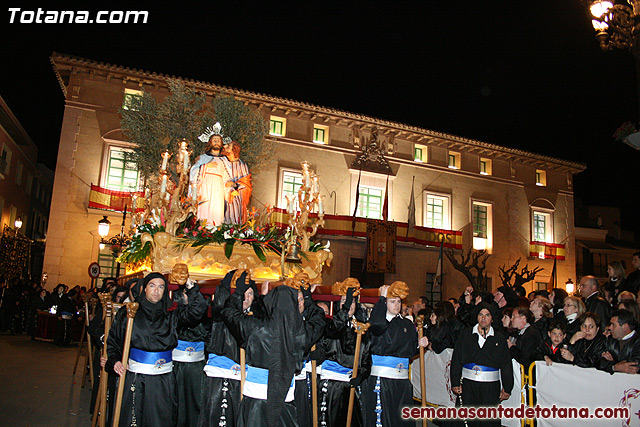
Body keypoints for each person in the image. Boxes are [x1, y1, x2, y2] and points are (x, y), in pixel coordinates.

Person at [104, 272, 207, 427]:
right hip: (136, 378)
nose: (156, 290)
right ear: (144, 289)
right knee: (133, 419)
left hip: (163, 380)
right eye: (152, 286)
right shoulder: (129, 314)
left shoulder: (171, 317)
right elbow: (113, 341)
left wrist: (188, 284)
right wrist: (115, 361)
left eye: (161, 287)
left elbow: (197, 311)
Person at [221, 276, 325, 426]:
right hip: (284, 397)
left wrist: (239, 292)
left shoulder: (254, 327)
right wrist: (308, 299)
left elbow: (228, 313)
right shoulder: (301, 332)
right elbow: (319, 320)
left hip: (255, 399)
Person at [199, 269, 262, 427]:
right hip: (222, 374)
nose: (245, 298)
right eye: (242, 293)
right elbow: (221, 302)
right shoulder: (222, 314)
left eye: (250, 294)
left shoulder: (256, 319)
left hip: (246, 375)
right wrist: (229, 282)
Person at [361, 281, 428, 426]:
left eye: (399, 301)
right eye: (392, 301)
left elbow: (410, 351)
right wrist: (381, 298)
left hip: (402, 381)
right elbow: (377, 325)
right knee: (384, 419)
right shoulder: (378, 321)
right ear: (385, 303)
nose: (396, 305)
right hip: (383, 380)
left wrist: (420, 345)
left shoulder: (408, 324)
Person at [318, 278, 370, 427]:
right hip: (333, 385)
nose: (346, 304)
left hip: (351, 384)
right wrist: (345, 309)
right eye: (343, 301)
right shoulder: (330, 324)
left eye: (350, 302)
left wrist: (361, 375)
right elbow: (334, 331)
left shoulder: (363, 328)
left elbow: (366, 356)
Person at [450, 302, 513, 427]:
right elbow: (456, 359)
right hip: (468, 385)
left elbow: (506, 364)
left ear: (492, 318)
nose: (483, 318)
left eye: (487, 315)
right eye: (481, 314)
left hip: (490, 388)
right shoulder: (466, 334)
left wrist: (507, 386)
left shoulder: (499, 338)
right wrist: (455, 382)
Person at [170, 264, 208, 427]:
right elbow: (193, 314)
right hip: (177, 365)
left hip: (197, 365)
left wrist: (193, 290)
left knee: (196, 404)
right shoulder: (176, 312)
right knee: (176, 404)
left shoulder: (201, 311)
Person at [190, 123, 228, 226]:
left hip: (219, 189)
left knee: (217, 209)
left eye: (218, 140)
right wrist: (205, 166)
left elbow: (228, 176)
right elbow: (193, 171)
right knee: (205, 207)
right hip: (205, 186)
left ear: (221, 143)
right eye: (214, 140)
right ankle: (203, 228)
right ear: (209, 143)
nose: (216, 142)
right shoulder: (202, 158)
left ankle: (216, 228)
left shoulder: (225, 160)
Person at [599, 309, 640, 374]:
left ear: (625, 326)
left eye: (613, 325)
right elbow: (598, 361)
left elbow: (634, 366)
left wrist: (613, 363)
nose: (610, 328)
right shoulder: (609, 340)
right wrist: (615, 367)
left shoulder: (638, 342)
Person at [221, 140, 252, 224]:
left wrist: (235, 185)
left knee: (233, 217)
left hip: (235, 197)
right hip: (221, 195)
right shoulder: (222, 162)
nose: (224, 147)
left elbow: (246, 183)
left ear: (234, 150)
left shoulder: (242, 165)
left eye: (228, 147)